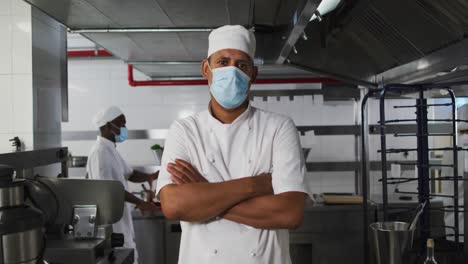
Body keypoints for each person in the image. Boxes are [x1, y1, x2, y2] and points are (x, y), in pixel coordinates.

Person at [156, 25, 309, 264]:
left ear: (253, 75)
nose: (232, 71)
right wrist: (255, 185)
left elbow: (290, 213)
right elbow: (174, 206)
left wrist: (204, 192)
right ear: (206, 69)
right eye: (223, 62)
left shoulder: (279, 127)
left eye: (242, 65)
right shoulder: (184, 130)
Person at [86, 106, 159, 264]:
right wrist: (141, 203)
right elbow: (109, 190)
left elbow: (130, 173)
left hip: (121, 223)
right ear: (107, 126)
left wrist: (151, 176)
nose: (124, 129)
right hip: (112, 226)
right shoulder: (100, 153)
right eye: (121, 124)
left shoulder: (111, 150)